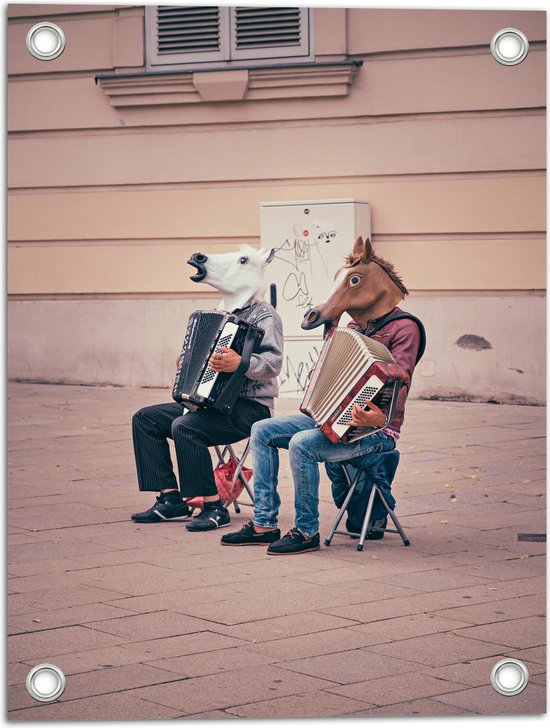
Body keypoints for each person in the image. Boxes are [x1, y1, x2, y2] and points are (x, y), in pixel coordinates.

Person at [221, 309, 422, 553]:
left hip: (377, 432)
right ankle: (264, 524)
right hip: (332, 419)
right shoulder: (352, 328)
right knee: (261, 430)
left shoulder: (405, 327)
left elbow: (402, 379)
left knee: (301, 444)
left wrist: (382, 416)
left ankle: (306, 532)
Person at [131, 297, 283, 531]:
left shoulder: (265, 314)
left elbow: (273, 363)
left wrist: (241, 363)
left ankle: (214, 508)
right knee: (145, 419)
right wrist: (189, 361)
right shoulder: (221, 310)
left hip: (250, 407)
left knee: (185, 426)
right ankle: (171, 499)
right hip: (213, 403)